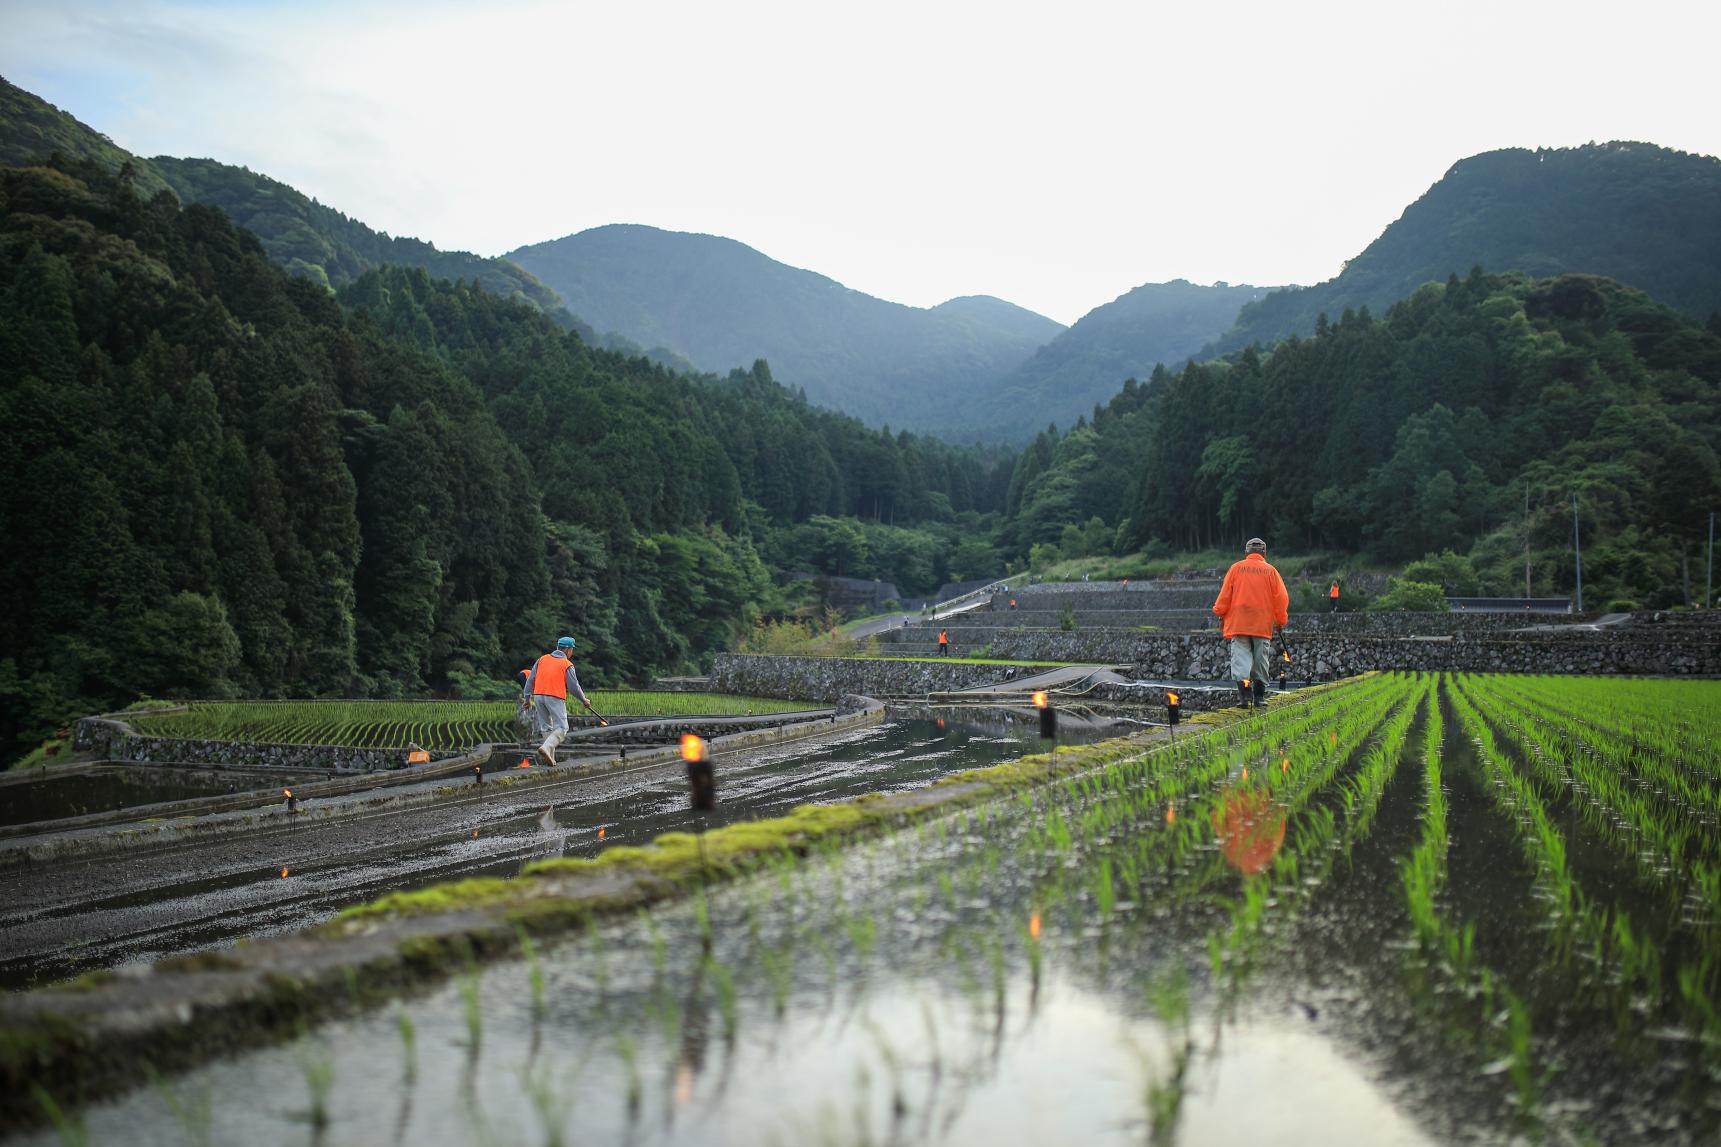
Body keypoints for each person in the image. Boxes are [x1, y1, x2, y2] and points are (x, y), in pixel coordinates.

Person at [1212, 538, 1289, 709]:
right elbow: (1281, 599)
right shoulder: (1271, 571)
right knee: (1261, 659)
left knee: (1241, 659)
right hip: (1262, 624)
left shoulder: (1236, 568)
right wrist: (1280, 620)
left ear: (1246, 552)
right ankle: (1259, 698)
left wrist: (1220, 612)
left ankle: (1244, 698)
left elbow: (1225, 595)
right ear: (1264, 553)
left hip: (1239, 622)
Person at [523, 635, 594, 767]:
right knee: (562, 727)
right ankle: (546, 748)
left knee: (546, 727)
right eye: (572, 650)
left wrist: (527, 699)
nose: (572, 653)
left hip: (538, 696)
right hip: (554, 696)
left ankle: (550, 757)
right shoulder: (567, 664)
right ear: (568, 650)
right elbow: (573, 687)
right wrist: (584, 699)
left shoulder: (542, 659)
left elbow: (530, 680)